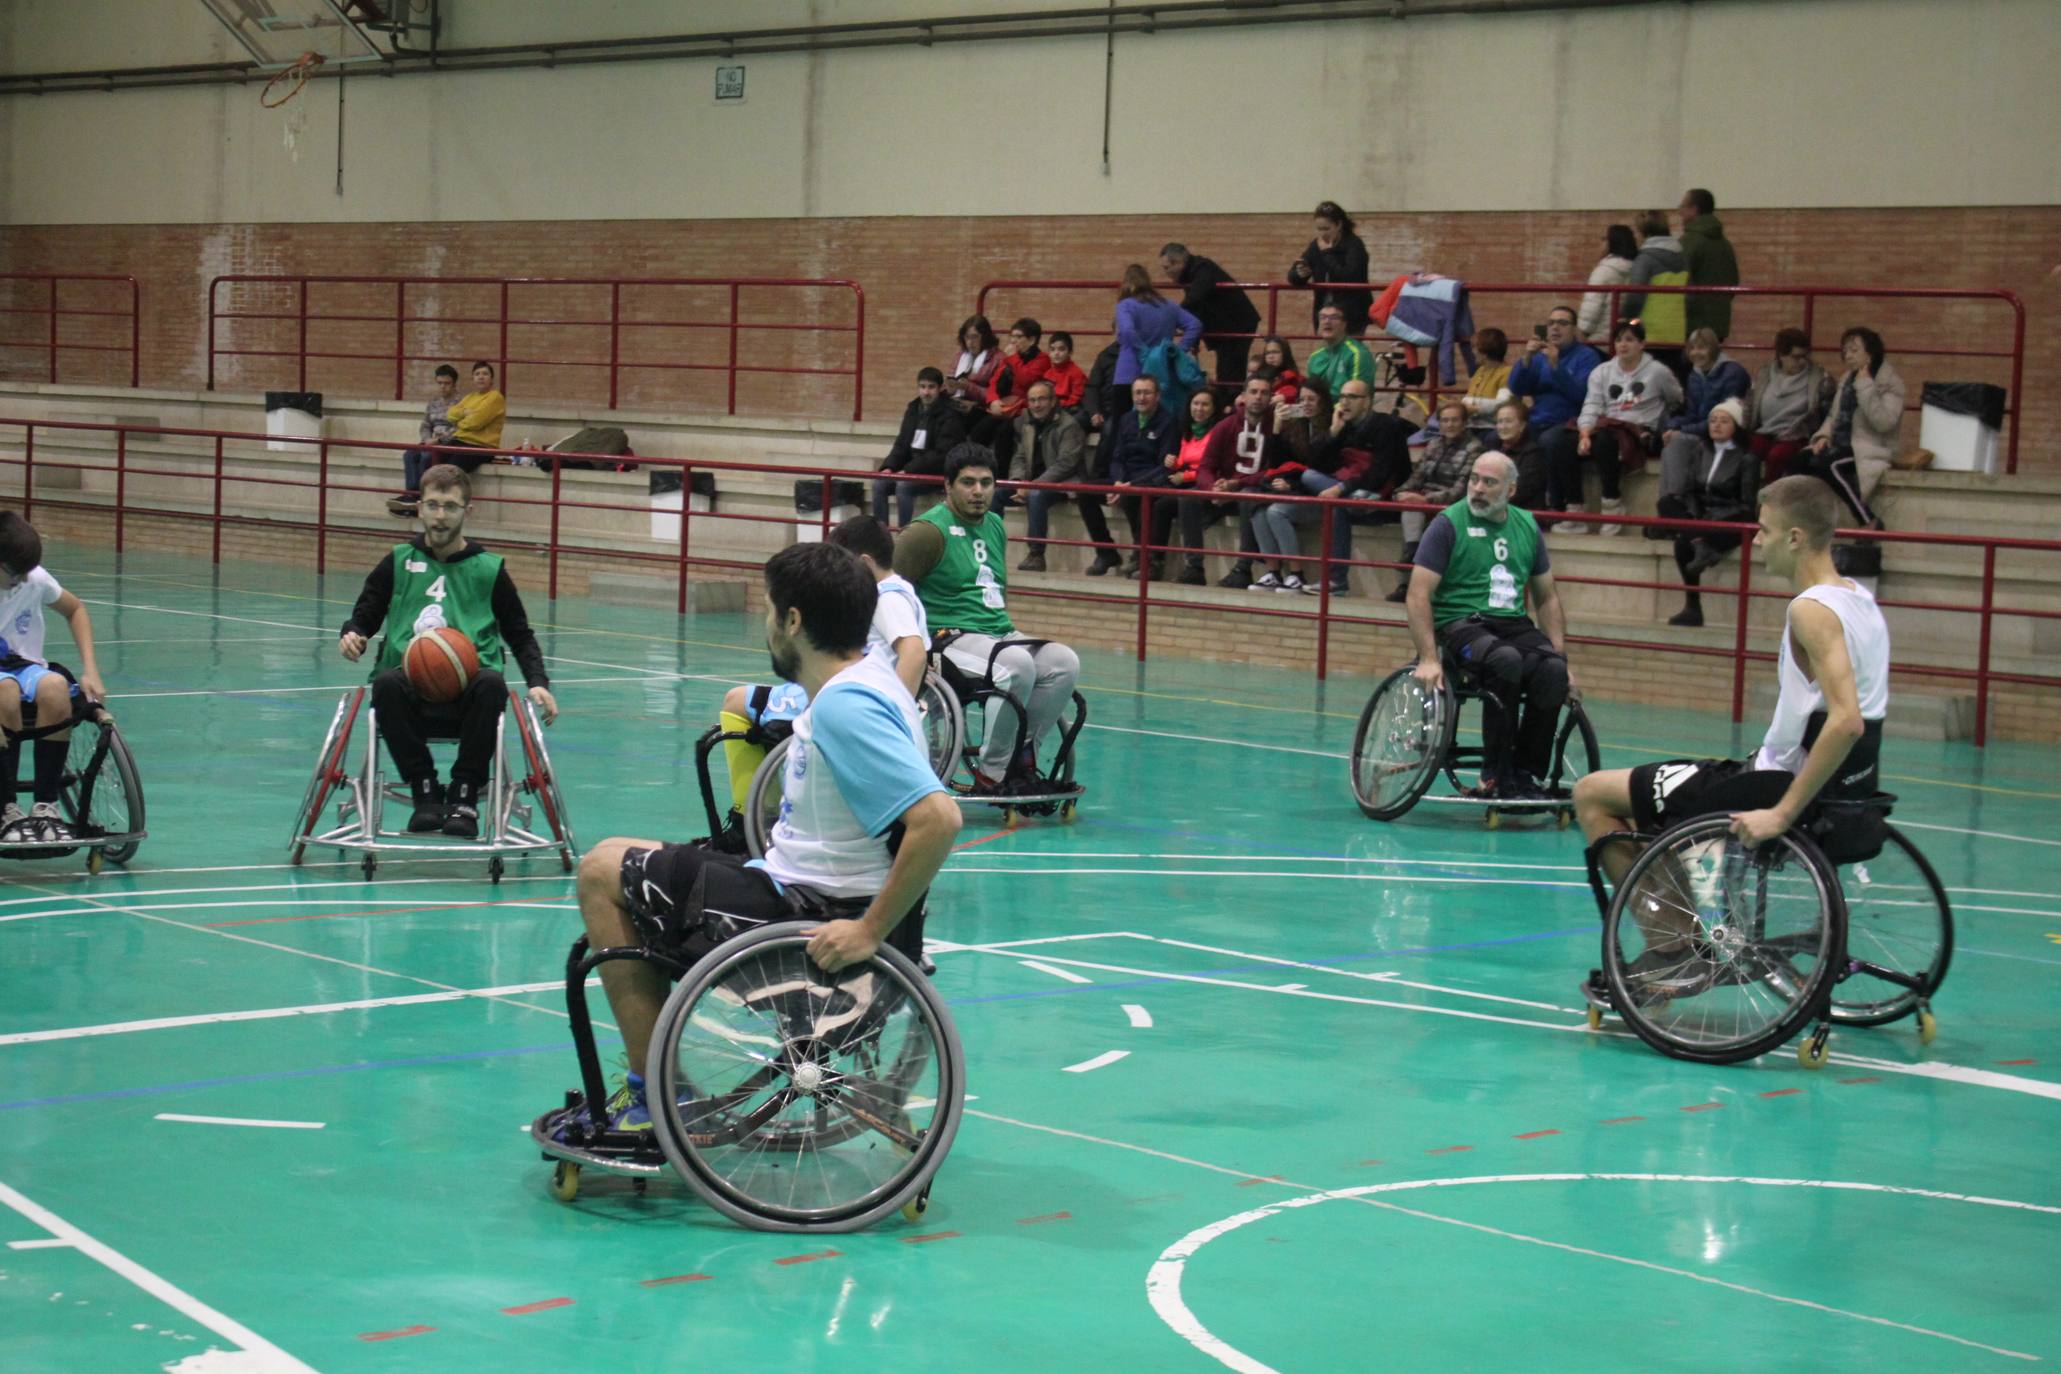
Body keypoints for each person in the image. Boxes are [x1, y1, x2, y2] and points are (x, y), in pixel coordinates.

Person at [543, 541, 960, 1138]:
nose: (764, 625)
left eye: (769, 611)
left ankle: (654, 1097)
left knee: (600, 871)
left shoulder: (849, 706)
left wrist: (868, 930)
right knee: (635, 855)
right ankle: (661, 1082)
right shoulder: (870, 680)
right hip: (801, 888)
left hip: (812, 920)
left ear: (793, 621)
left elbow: (938, 819)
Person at [1573, 475, 1886, 1003]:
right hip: (1849, 790)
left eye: (1764, 531)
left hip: (1771, 785)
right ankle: (1686, 912)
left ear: (1794, 538)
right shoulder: (1863, 601)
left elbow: (1847, 720)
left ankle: (1675, 951)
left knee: (1591, 794)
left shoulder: (1811, 609)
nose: (1756, 541)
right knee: (1661, 791)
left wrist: (1782, 814)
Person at [339, 464, 557, 839]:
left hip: (471, 703)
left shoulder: (489, 570)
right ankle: (423, 788)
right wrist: (354, 634)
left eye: (451, 507)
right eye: (433, 505)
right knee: (386, 683)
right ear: (420, 507)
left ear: (466, 512)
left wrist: (538, 681)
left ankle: (464, 792)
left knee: (491, 683)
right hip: (409, 699)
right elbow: (365, 614)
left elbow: (519, 634)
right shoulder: (397, 561)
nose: (441, 516)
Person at [708, 516, 931, 851]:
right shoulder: (903, 590)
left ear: (864, 563)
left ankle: (750, 820)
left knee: (735, 702)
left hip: (849, 692)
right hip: (859, 689)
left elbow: (913, 652)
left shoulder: (887, 597)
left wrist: (896, 708)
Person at [894, 444, 1082, 794]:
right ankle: (993, 773)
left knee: (1063, 661)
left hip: (997, 633)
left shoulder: (995, 523)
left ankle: (1023, 757)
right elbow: (892, 593)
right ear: (947, 486)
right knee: (1015, 665)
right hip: (946, 637)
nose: (978, 491)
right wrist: (914, 649)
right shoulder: (926, 532)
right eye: (967, 482)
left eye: (986, 482)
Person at [1405, 452, 1576, 800]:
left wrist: (1562, 655)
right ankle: (1495, 776)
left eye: (1489, 482)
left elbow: (1547, 598)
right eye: (1474, 480)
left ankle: (1526, 774)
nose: (1478, 489)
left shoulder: (1527, 525)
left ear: (1511, 489)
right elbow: (1418, 594)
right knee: (1506, 660)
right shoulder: (1448, 524)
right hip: (1461, 624)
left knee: (1553, 670)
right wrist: (1428, 658)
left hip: (1511, 623)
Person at [0, 512, 106, 843]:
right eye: (12, 573)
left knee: (56, 686)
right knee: (4, 691)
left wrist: (91, 670)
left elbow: (76, 610)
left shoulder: (35, 579)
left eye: (23, 573)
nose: (19, 580)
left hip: (23, 664)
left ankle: (46, 805)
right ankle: (6, 809)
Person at [1565, 321, 1682, 534]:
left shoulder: (1658, 372)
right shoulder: (1601, 372)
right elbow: (1592, 404)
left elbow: (1676, 399)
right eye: (1618, 340)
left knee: (1605, 441)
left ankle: (1612, 505)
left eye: (1629, 340)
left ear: (1641, 344)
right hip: (1607, 425)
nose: (1622, 345)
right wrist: (1584, 432)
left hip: (1639, 430)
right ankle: (1574, 509)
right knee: (1559, 440)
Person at [1655, 398, 1759, 627]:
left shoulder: (1747, 458)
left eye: (1724, 421)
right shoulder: (1701, 451)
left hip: (1731, 518)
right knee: (1667, 504)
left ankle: (1698, 539)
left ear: (1736, 426)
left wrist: (1710, 521)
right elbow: (1690, 490)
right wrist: (1695, 517)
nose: (1716, 425)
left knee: (1692, 536)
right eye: (1713, 420)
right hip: (1703, 519)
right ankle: (1693, 607)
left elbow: (1747, 503)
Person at [1197, 374, 1298, 590]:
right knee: (1183, 500)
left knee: (1249, 498)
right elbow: (1205, 466)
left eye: (1264, 393)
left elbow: (1275, 470)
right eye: (1253, 392)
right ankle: (1194, 567)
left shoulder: (1278, 425)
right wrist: (1212, 487)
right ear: (1243, 396)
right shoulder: (1226, 425)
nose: (1258, 397)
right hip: (1226, 490)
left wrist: (1237, 484)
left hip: (1254, 488)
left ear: (1271, 397)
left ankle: (1243, 568)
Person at [1797, 327, 1903, 530]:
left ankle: (1867, 519)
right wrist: (1823, 436)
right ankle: (1797, 519)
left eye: (1854, 350)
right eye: (1845, 350)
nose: (1848, 355)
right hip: (1840, 442)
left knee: (1829, 465)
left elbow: (1884, 422)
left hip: (1868, 447)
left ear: (1870, 353)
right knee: (1799, 460)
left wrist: (1865, 386)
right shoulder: (1847, 378)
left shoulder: (1890, 383)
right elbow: (1833, 416)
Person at [1016, 381, 1120, 576]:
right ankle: (984, 551)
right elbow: (1020, 457)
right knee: (995, 495)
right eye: (1032, 400)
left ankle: (1036, 554)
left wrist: (1032, 485)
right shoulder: (1027, 425)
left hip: (1063, 484)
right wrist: (1017, 480)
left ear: (1053, 401)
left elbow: (1066, 464)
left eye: (1041, 399)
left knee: (1036, 495)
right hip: (1032, 482)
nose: (1036, 405)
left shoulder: (1069, 425)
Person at [1389, 397, 1487, 601]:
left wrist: (1426, 500)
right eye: (1445, 420)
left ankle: (1414, 567)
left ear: (1464, 422)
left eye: (1455, 420)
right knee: (1410, 506)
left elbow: (1461, 490)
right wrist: (1401, 493)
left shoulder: (1475, 448)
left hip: (1454, 504)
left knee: (1424, 515)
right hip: (1426, 501)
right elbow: (1417, 477)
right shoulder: (1433, 444)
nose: (1449, 425)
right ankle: (1408, 571)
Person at [1506, 304, 1601, 498]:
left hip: (1569, 421)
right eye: (1551, 323)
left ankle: (1554, 499)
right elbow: (1517, 388)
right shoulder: (1539, 356)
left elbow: (1581, 395)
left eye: (1562, 323)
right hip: (1538, 418)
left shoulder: (1587, 356)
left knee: (1549, 440)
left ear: (1574, 330)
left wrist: (1557, 367)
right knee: (1498, 435)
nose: (1555, 328)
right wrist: (1526, 359)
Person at [1104, 375, 1186, 581]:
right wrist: (1117, 482)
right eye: (1137, 393)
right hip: (1126, 480)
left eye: (1147, 393)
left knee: (1141, 499)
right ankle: (1106, 553)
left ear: (1157, 396)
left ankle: (1151, 560)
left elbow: (1163, 467)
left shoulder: (1168, 422)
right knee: (1085, 494)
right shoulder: (1126, 419)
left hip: (1152, 481)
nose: (1142, 397)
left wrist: (1130, 485)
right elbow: (1117, 457)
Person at [1656, 327, 1752, 502]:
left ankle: (1673, 502)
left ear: (1713, 348)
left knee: (1677, 441)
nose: (1695, 353)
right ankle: (1669, 503)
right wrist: (1672, 426)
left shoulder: (1733, 373)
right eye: (1692, 348)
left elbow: (1724, 419)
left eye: (1701, 348)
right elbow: (1692, 413)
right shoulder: (1695, 374)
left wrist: (1683, 430)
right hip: (1703, 430)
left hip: (1725, 432)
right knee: (1671, 438)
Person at [874, 366, 968, 528]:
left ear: (940, 389)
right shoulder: (912, 410)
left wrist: (909, 470)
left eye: (931, 387)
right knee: (879, 484)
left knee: (903, 486)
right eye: (922, 387)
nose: (926, 392)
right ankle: (880, 533)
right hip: (911, 470)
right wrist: (889, 466)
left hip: (935, 472)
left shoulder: (950, 415)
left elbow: (942, 454)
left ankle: (905, 535)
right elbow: (901, 444)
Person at [1160, 243, 1261, 394]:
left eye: (1167, 267)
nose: (1166, 273)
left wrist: (1174, 317)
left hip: (1236, 326)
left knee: (1230, 371)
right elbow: (1196, 305)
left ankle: (1229, 403)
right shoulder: (1195, 272)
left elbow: (1195, 299)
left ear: (1178, 263)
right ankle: (1227, 401)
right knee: (1226, 370)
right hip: (1229, 327)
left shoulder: (1202, 269)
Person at [1747, 327, 1834, 482]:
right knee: (1747, 453)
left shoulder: (1819, 379)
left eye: (1805, 356)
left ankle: (1769, 501)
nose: (1802, 362)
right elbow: (1751, 404)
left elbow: (1826, 413)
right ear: (1781, 355)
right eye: (1796, 357)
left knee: (1777, 456)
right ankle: (1745, 500)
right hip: (1765, 431)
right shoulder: (1764, 375)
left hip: (1797, 436)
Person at [971, 317, 1051, 470]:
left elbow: (1026, 380)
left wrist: (1012, 358)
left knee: (1004, 432)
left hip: (1024, 409)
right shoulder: (1010, 359)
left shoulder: (1042, 360)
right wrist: (993, 401)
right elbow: (994, 381)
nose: (1014, 341)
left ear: (1032, 339)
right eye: (1012, 336)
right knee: (979, 429)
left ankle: (1001, 477)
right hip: (1005, 406)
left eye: (1019, 337)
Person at [1113, 264, 1202, 395]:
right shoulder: (1169, 305)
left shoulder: (1125, 305)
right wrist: (1179, 349)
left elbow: (1127, 330)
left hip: (1129, 372)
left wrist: (1143, 352)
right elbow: (1195, 324)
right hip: (1162, 371)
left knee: (1123, 415)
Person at [1286, 200, 1372, 334]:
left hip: (1351, 314)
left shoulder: (1354, 245)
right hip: (1324, 310)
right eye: (1319, 229)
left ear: (1339, 225)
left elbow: (1350, 276)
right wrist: (1299, 274)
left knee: (1348, 351)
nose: (1322, 234)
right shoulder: (1316, 245)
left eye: (1326, 229)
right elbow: (1292, 276)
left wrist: (1327, 253)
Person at [1621, 212, 1689, 378]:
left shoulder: (1645, 259)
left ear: (1645, 233)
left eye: (1637, 232)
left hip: (1649, 332)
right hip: (1676, 331)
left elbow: (1635, 295)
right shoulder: (1683, 258)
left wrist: (1625, 318)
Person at [389, 363, 460, 517]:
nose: (443, 387)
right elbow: (425, 425)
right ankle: (411, 495)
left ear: (454, 384)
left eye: (447, 383)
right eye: (440, 383)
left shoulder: (462, 403)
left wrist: (440, 440)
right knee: (409, 454)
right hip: (430, 441)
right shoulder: (433, 402)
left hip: (447, 443)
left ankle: (421, 497)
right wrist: (427, 439)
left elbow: (460, 428)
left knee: (426, 458)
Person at [1677, 188, 1741, 343]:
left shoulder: (1688, 242)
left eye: (1682, 207)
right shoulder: (1724, 244)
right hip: (1719, 323)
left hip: (1692, 325)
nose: (1680, 212)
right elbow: (1733, 280)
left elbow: (1681, 281)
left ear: (1694, 209)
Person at [1304, 304, 1377, 403]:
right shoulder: (1315, 357)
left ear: (1344, 324)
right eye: (1323, 317)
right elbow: (1310, 395)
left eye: (1334, 317)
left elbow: (1357, 399)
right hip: (1321, 414)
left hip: (1346, 413)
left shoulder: (1357, 354)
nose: (1327, 321)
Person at [441, 361, 507, 471]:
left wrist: (459, 422)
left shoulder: (495, 397)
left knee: (451, 470)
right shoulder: (470, 397)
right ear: (473, 379)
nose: (481, 377)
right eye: (477, 374)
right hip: (460, 441)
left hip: (481, 446)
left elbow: (475, 422)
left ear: (491, 379)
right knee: (430, 460)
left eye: (485, 374)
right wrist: (464, 413)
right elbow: (450, 414)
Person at [1577, 225, 1639, 340]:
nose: (1600, 244)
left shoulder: (1604, 270)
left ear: (1612, 242)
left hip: (1598, 337)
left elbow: (1592, 305)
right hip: (1622, 337)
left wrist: (1583, 331)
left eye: (1604, 239)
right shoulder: (1636, 269)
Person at [1493, 399, 1552, 512]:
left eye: (1508, 421)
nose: (1503, 426)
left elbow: (1520, 492)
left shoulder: (1534, 453)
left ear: (1522, 425)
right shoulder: (1493, 450)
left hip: (1522, 516)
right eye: (1500, 422)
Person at [943, 315, 1002, 420]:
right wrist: (949, 388)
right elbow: (949, 381)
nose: (970, 342)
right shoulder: (960, 356)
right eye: (967, 337)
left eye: (975, 337)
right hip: (958, 403)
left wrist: (968, 387)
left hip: (981, 409)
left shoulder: (998, 358)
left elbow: (996, 395)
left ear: (985, 337)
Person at [1043, 331, 1088, 413]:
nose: (1056, 353)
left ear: (1070, 352)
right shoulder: (1047, 374)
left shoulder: (1077, 373)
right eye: (1052, 349)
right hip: (1051, 410)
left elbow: (1076, 398)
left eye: (1061, 349)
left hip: (1071, 410)